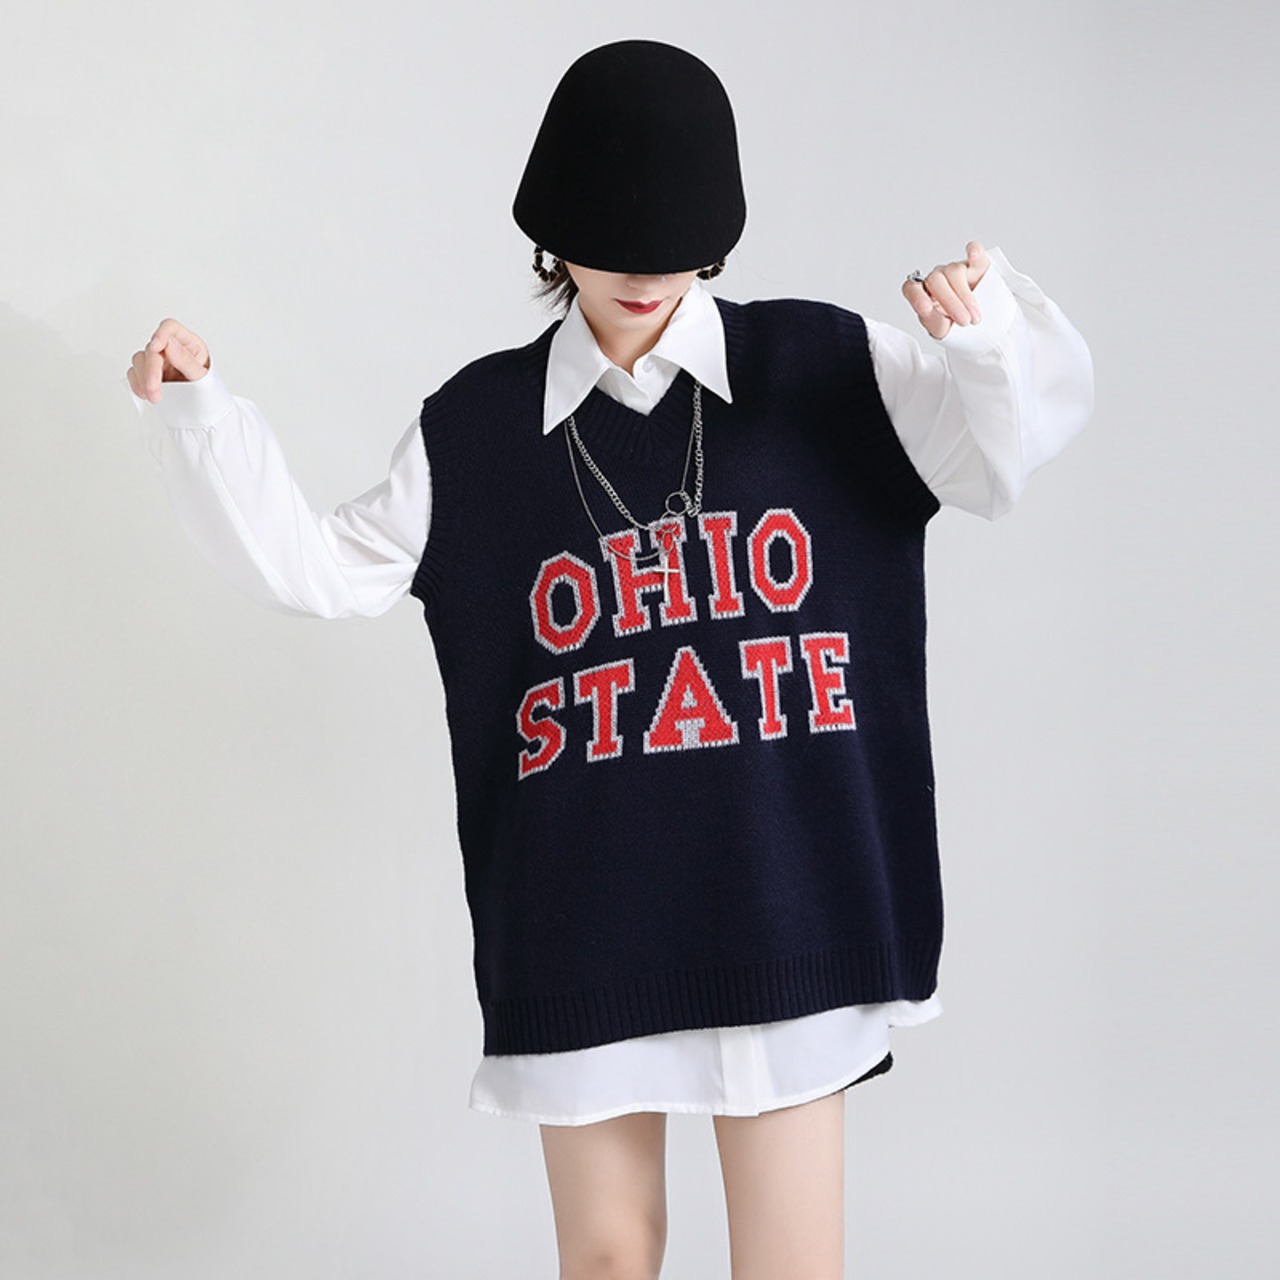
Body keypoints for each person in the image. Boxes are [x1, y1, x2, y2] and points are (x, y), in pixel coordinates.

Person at [128, 39, 1092, 1280]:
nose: (641, 273)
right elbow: (321, 566)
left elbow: (996, 459)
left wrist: (986, 336)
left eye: (673, 243)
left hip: (787, 900)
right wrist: (201, 414)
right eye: (607, 239)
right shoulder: (476, 430)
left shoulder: (826, 369)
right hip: (583, 917)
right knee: (605, 1259)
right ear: (550, 232)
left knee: (792, 1265)